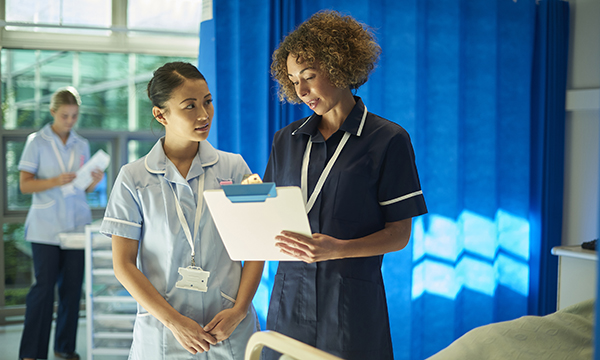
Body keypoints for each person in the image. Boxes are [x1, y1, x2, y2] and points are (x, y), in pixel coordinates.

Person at [264, 10, 428, 360]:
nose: (302, 90)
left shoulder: (388, 140)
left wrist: (336, 249)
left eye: (309, 76)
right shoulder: (285, 140)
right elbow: (269, 215)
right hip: (287, 301)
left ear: (339, 66)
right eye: (293, 81)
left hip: (350, 308)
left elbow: (399, 234)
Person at [100, 62, 263, 360]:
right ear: (161, 114)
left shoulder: (234, 168)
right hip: (163, 333)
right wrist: (174, 322)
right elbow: (123, 265)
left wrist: (239, 310)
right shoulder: (133, 177)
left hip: (227, 329)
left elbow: (255, 248)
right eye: (189, 106)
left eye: (207, 101)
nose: (204, 114)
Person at [18, 87, 104, 360]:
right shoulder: (37, 141)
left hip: (77, 226)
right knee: (43, 291)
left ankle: (64, 348)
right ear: (53, 112)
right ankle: (32, 352)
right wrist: (56, 180)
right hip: (45, 228)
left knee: (71, 290)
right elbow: (24, 185)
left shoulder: (81, 144)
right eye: (65, 115)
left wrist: (94, 182)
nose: (70, 121)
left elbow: (84, 188)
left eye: (74, 116)